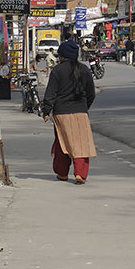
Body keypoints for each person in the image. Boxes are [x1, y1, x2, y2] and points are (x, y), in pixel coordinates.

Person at [40, 40, 97, 184]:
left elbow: (51, 93)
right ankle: (80, 174)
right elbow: (91, 93)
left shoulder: (57, 71)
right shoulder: (84, 70)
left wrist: (46, 111)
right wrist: (86, 106)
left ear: (63, 56)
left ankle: (62, 173)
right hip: (81, 112)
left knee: (62, 143)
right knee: (81, 143)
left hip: (62, 112)